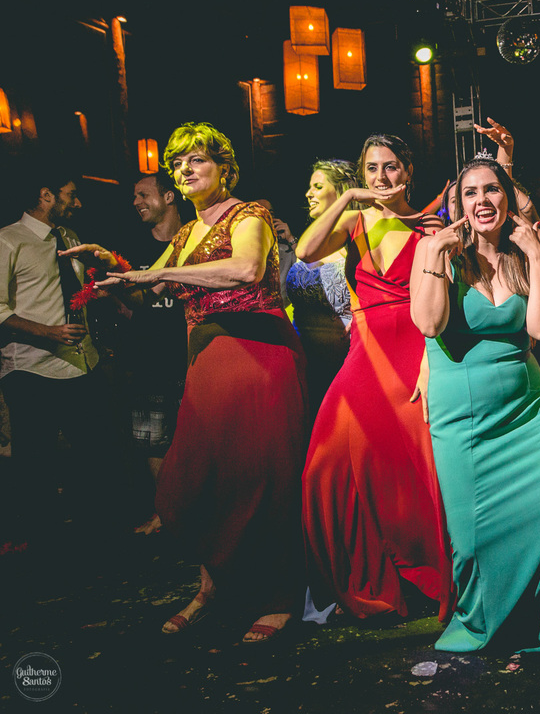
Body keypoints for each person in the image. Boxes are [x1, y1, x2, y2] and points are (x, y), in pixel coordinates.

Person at [70, 122, 309, 643]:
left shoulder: (250, 216)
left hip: (257, 358)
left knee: (260, 481)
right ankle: (213, 585)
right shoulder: (185, 234)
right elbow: (145, 291)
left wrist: (156, 275)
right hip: (207, 363)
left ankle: (278, 597)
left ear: (224, 167)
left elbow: (246, 269)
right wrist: (111, 267)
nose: (186, 170)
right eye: (179, 164)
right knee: (192, 481)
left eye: (197, 160)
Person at [412, 158, 540, 652]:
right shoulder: (438, 248)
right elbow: (430, 324)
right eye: (470, 193)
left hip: (528, 406)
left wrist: (531, 256)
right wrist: (436, 254)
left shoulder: (526, 249)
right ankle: (494, 618)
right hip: (464, 416)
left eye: (492, 190)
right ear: (457, 203)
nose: (482, 201)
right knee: (476, 537)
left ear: (507, 198)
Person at [296, 134, 452, 622]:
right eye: (371, 169)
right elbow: (305, 250)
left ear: (408, 170)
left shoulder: (431, 224)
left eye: (390, 167)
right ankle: (362, 575)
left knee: (414, 466)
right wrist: (347, 197)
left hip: (416, 347)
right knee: (327, 464)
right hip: (366, 351)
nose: (381, 178)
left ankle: (423, 576)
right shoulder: (355, 219)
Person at [0, 176, 126, 549]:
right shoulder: (8, 240)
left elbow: (80, 289)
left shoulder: (69, 237)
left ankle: (97, 539)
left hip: (81, 362)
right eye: (72, 196)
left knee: (95, 452)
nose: (78, 203)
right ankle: (45, 547)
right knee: (36, 463)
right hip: (31, 367)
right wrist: (47, 332)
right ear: (45, 195)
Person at [126, 174, 186, 536]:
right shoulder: (131, 247)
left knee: (200, 439)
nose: (136, 202)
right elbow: (131, 304)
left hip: (195, 355)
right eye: (134, 196)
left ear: (169, 196)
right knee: (153, 440)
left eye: (143, 194)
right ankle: (166, 513)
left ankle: (203, 511)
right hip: (150, 360)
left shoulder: (196, 238)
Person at [284, 159, 359, 406]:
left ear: (340, 193)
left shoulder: (355, 240)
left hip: (341, 360)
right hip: (302, 359)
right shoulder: (307, 244)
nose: (308, 194)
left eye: (317, 186)